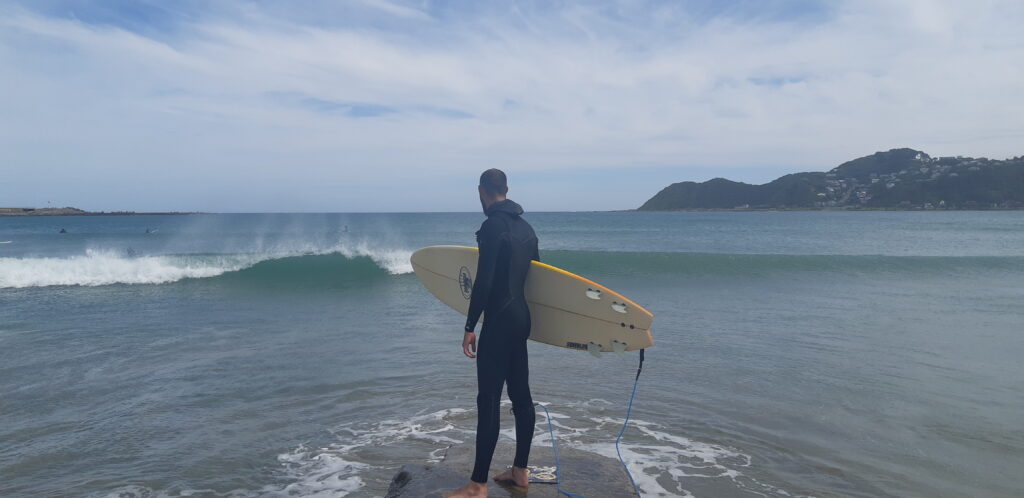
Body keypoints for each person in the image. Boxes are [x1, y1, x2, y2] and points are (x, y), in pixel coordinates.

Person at [444, 169, 540, 498]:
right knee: (521, 398)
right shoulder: (527, 229)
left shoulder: (491, 226)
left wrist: (470, 326)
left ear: (482, 192)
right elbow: (538, 281)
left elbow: (483, 282)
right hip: (521, 319)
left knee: (488, 400)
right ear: (507, 189)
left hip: (498, 321)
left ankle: (477, 485)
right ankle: (520, 471)